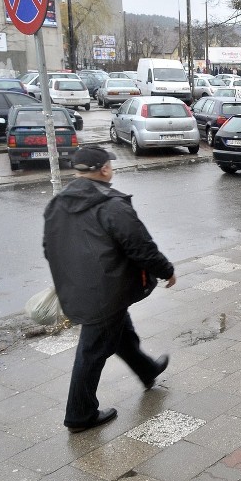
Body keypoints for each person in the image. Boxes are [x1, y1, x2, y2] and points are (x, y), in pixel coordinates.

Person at [43, 146, 176, 433]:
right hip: (106, 291)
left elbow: (49, 248)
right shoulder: (112, 204)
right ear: (104, 169)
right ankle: (80, 414)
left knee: (119, 332)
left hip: (83, 287)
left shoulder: (57, 203)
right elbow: (140, 246)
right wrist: (166, 270)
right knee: (91, 351)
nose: (112, 170)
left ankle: (147, 370)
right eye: (110, 166)